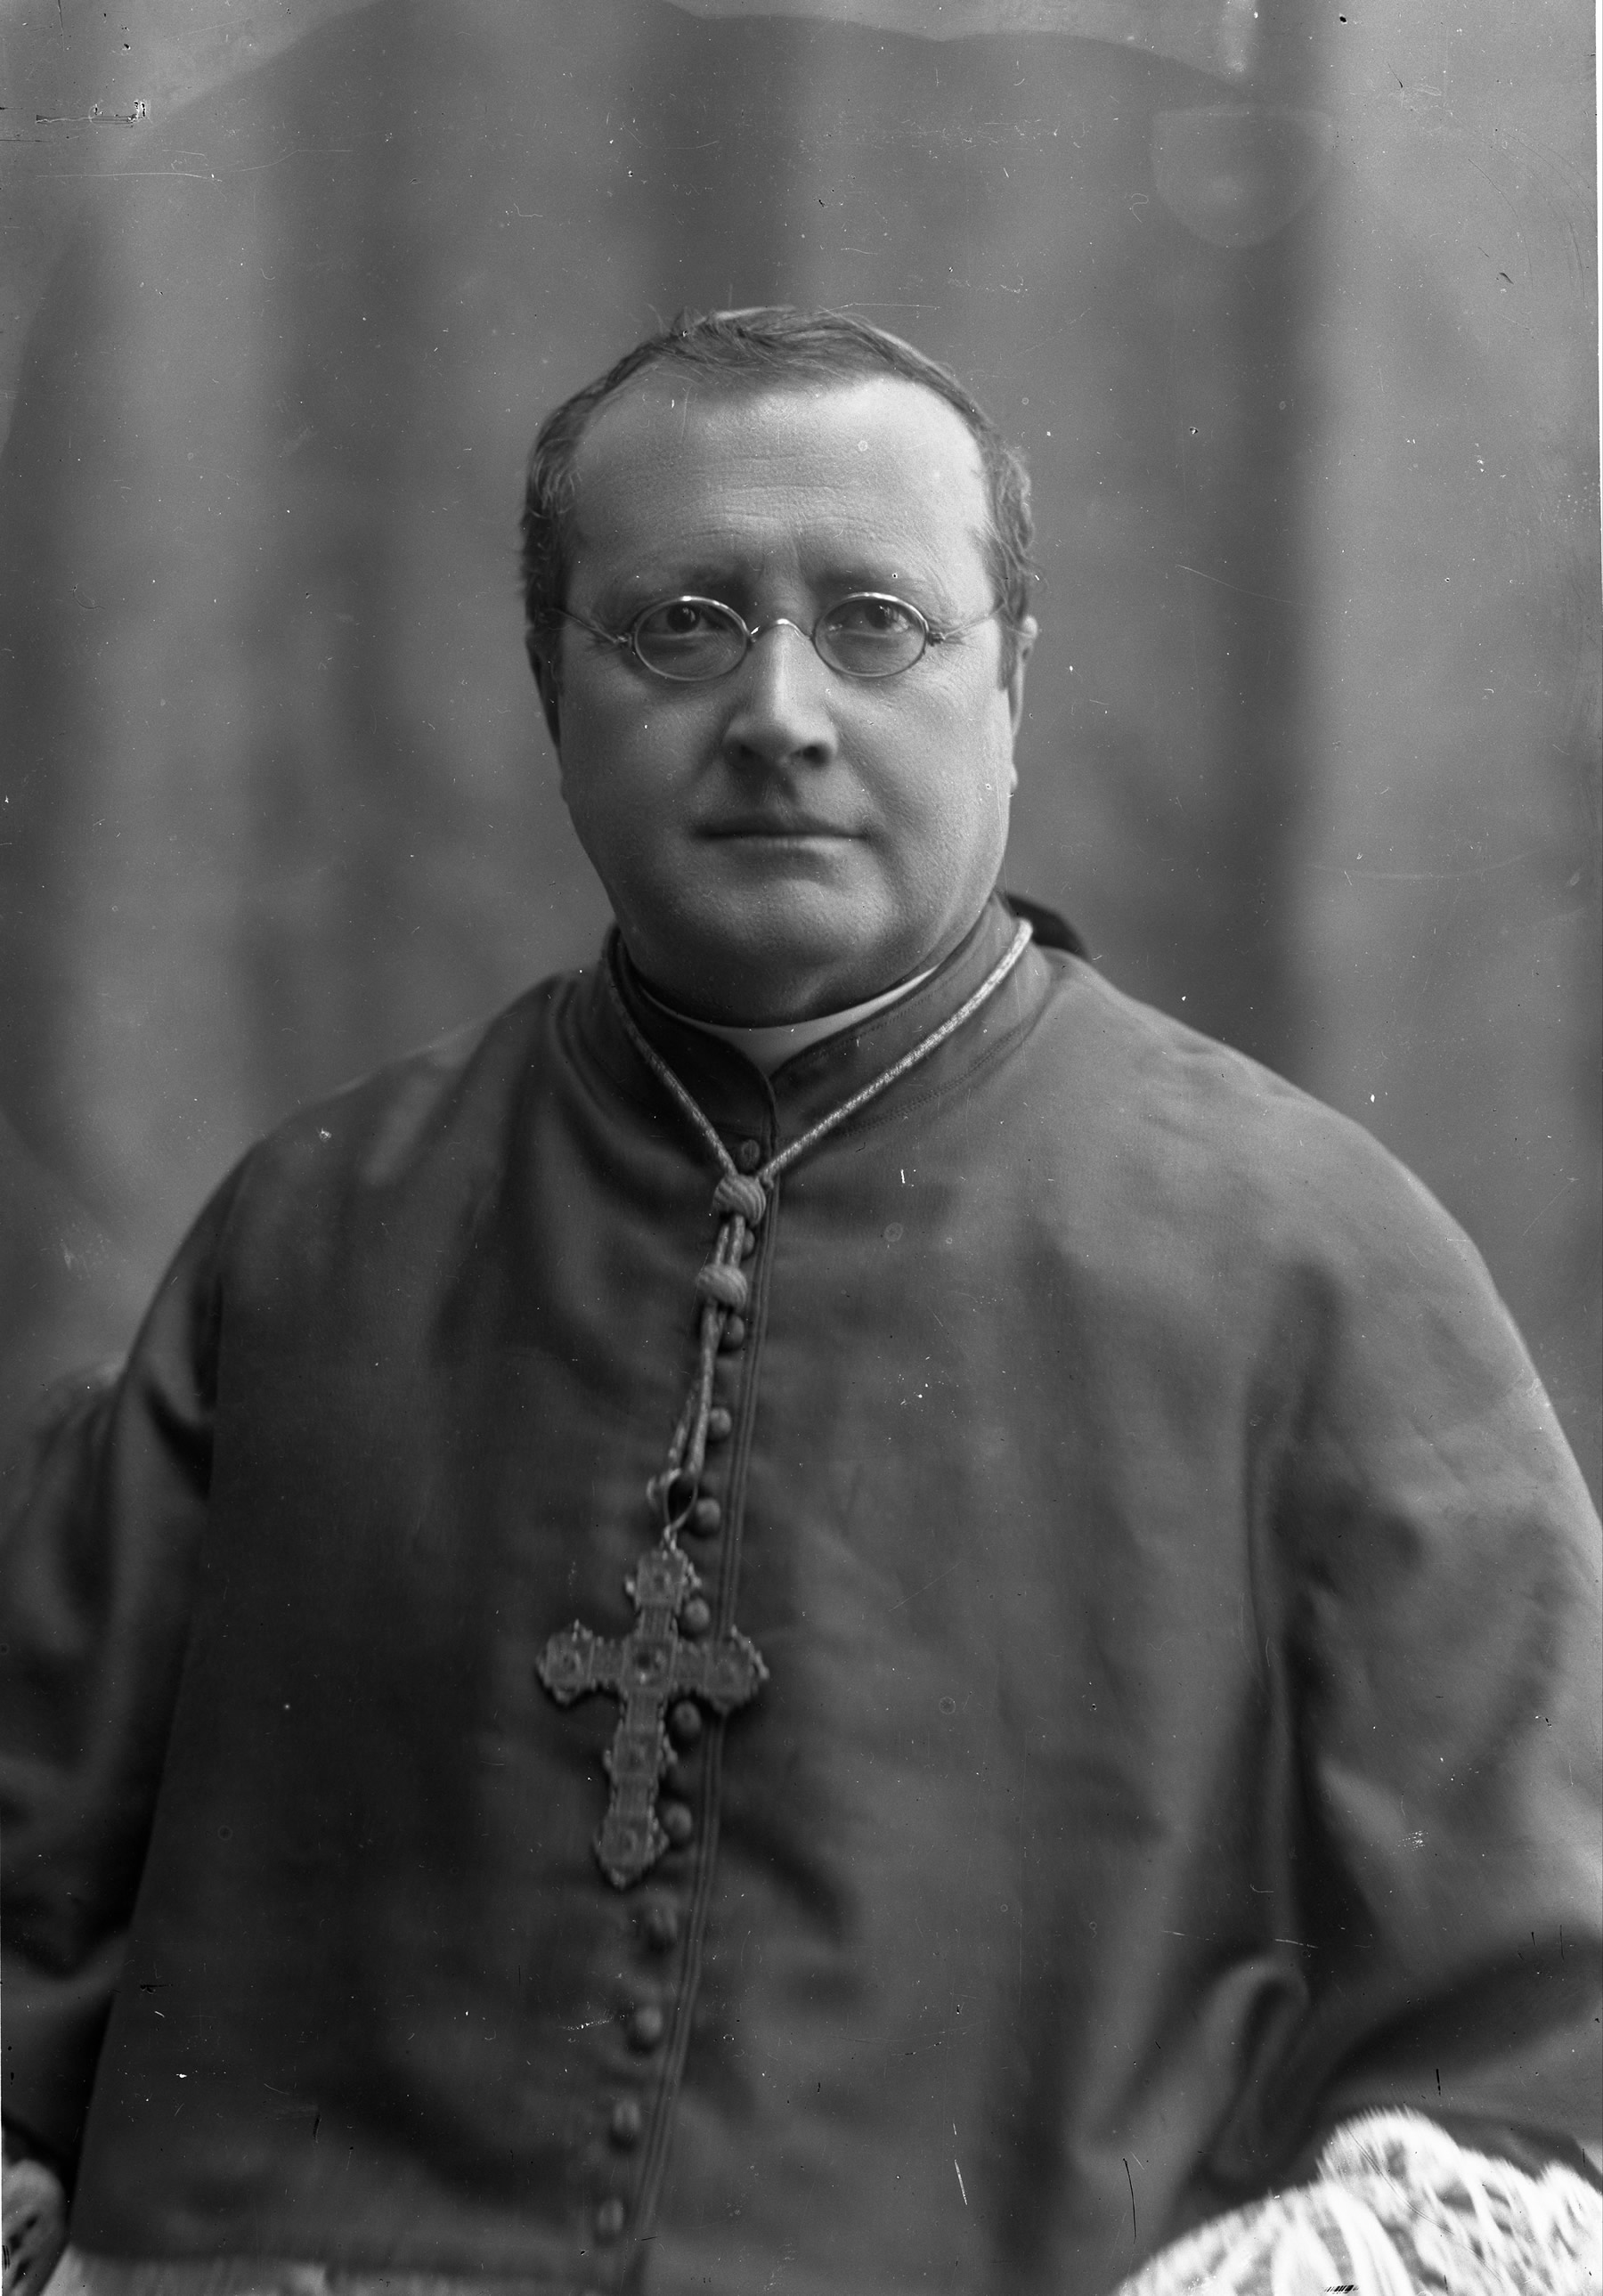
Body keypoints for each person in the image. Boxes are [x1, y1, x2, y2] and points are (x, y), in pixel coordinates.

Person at [2, 307, 1599, 2296]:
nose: (778, 710)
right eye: (681, 625)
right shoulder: (311, 1233)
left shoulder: (1321, 1264)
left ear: (1011, 685)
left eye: (876, 624)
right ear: (551, 688)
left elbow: (1536, 2080)